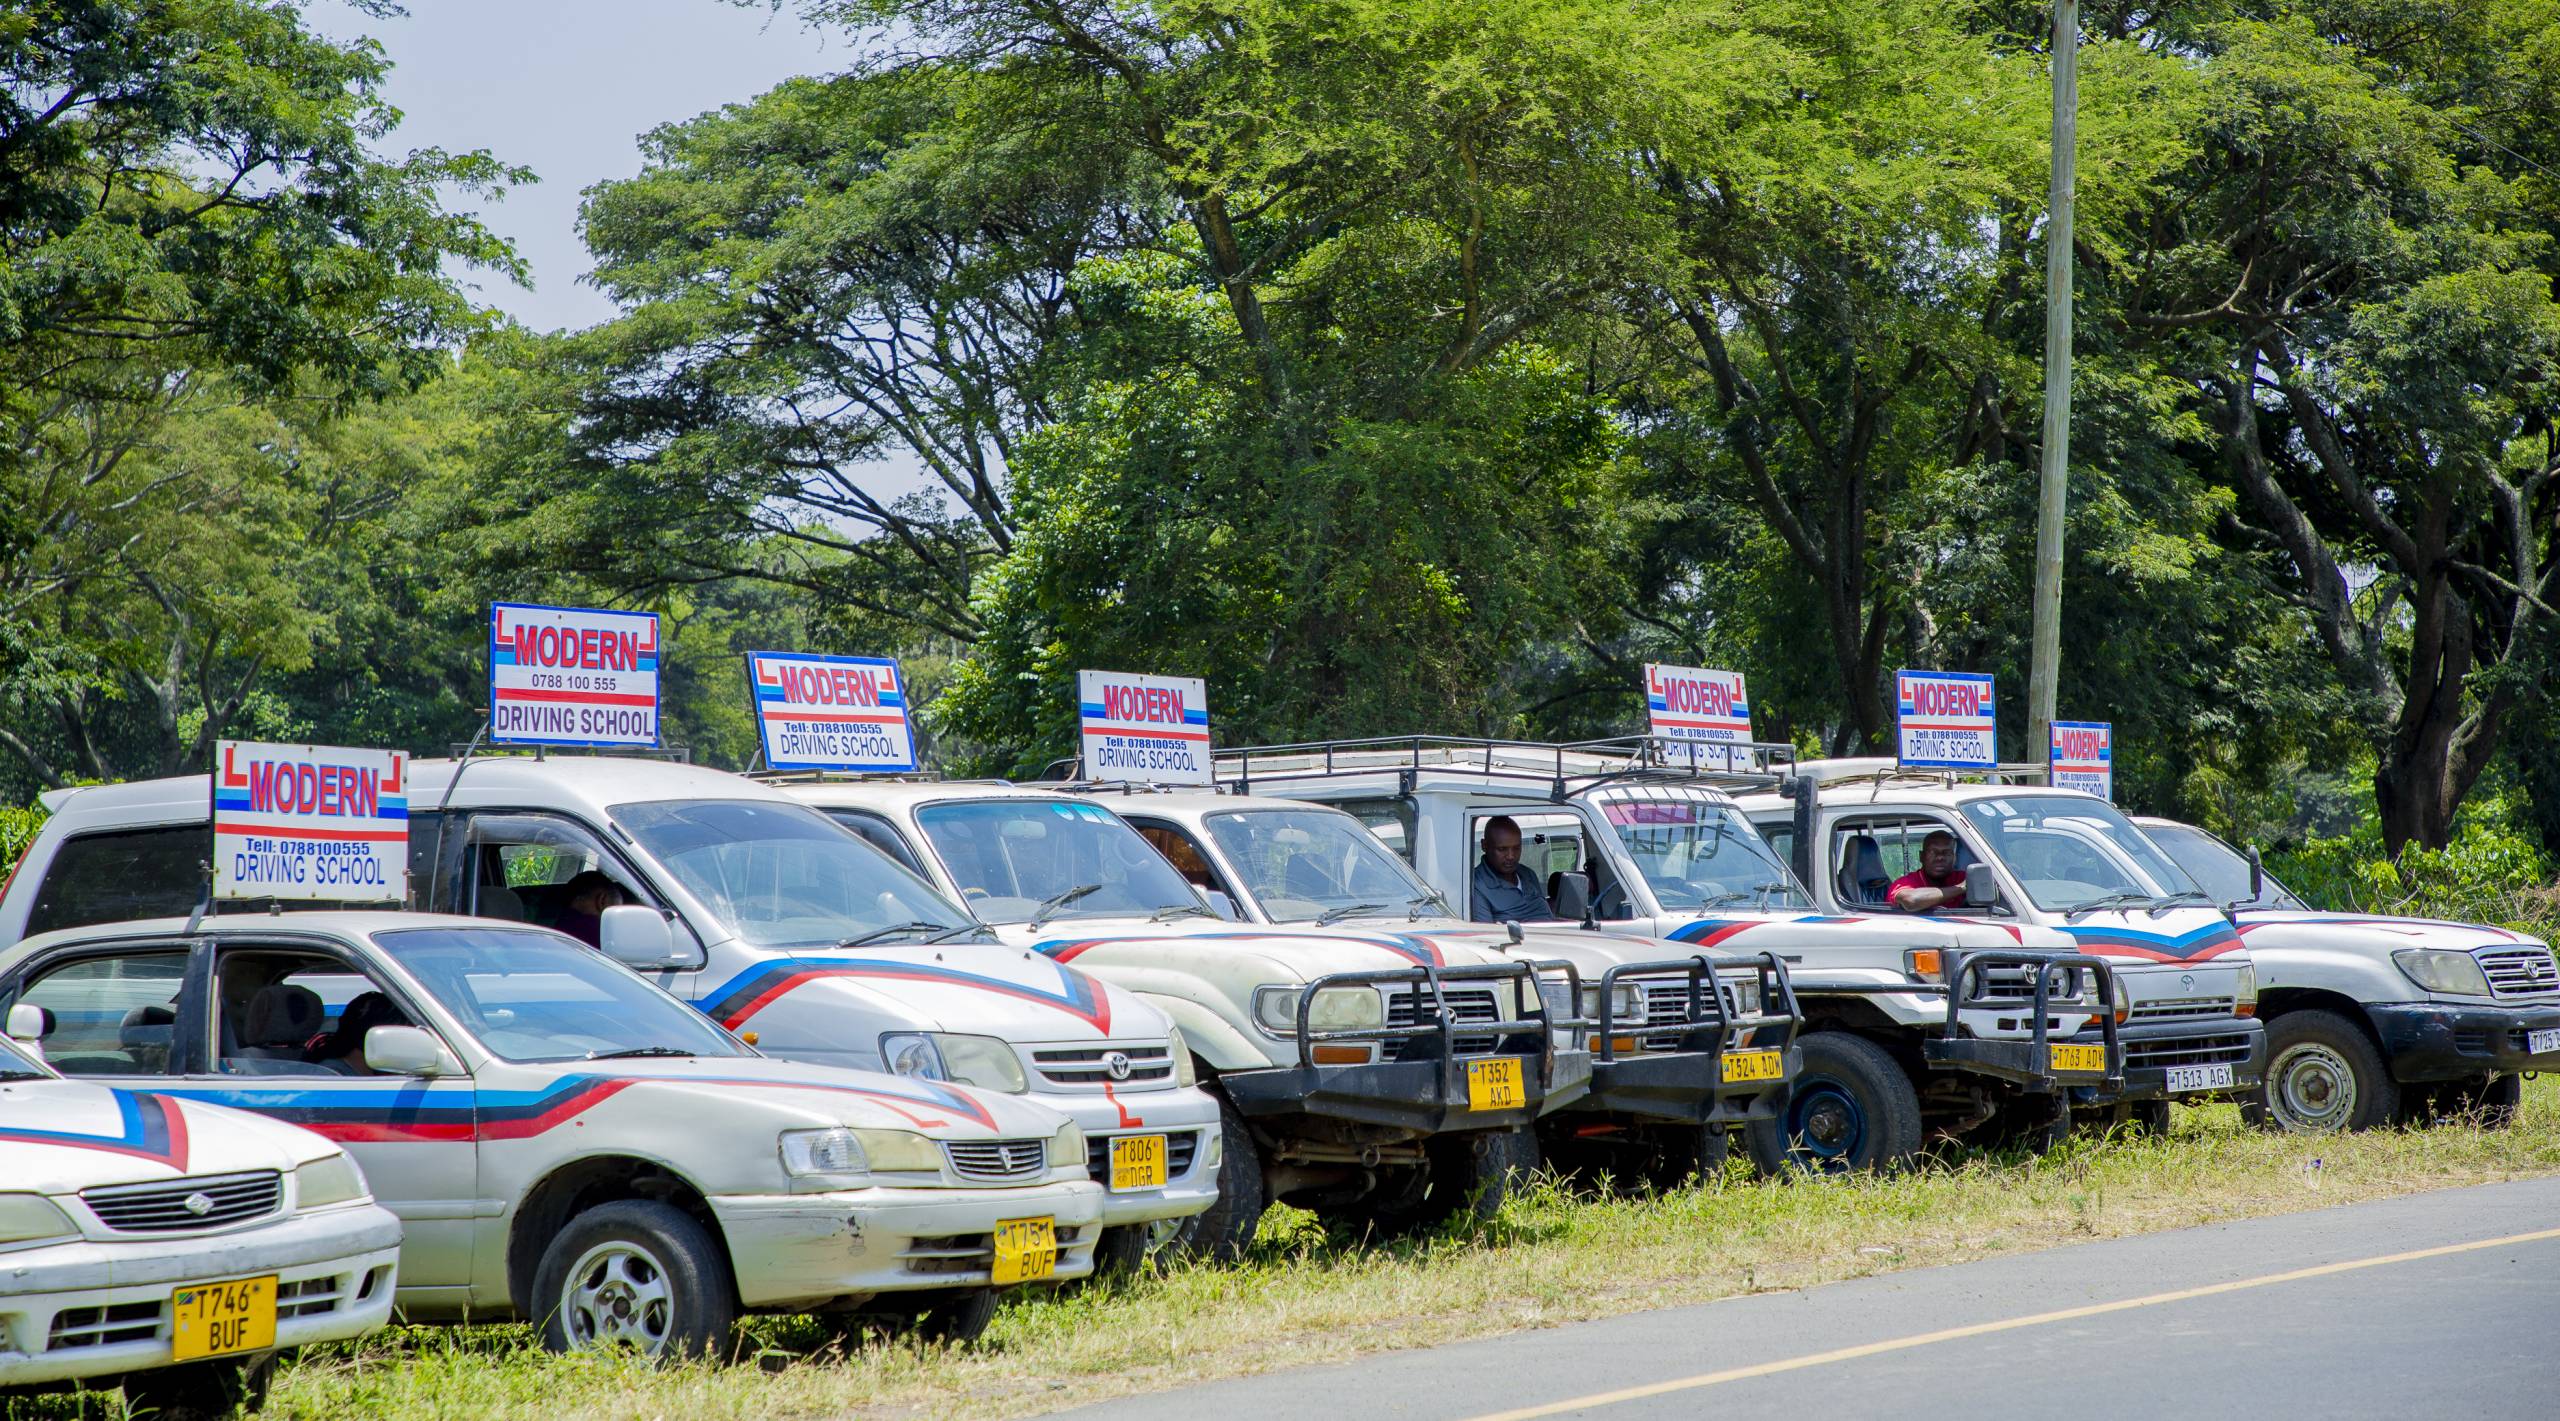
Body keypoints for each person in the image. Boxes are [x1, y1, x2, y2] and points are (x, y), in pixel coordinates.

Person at [1469, 815, 1555, 923]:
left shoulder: (1528, 874)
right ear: (1484, 845)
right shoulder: (1476, 885)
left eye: (1516, 848)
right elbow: (1486, 931)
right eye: (1502, 849)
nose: (1511, 856)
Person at [1889, 829, 1974, 913]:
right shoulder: (1907, 882)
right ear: (1921, 856)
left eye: (1947, 853)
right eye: (1933, 852)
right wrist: (1962, 888)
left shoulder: (1962, 878)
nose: (1940, 857)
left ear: (1954, 858)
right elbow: (1911, 900)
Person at [552, 869, 626, 946]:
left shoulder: (557, 930)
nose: (616, 922)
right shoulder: (601, 936)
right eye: (615, 912)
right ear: (602, 901)